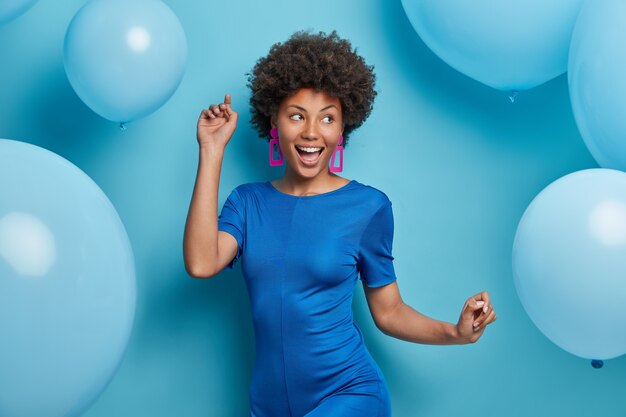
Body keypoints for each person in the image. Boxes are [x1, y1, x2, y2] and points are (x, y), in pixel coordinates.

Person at [183, 30, 497, 417]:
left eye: (327, 118)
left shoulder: (367, 207)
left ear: (343, 127)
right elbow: (201, 263)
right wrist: (212, 151)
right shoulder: (248, 203)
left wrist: (456, 332)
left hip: (348, 394)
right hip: (268, 405)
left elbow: (389, 311)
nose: (312, 132)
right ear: (274, 122)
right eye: (296, 115)